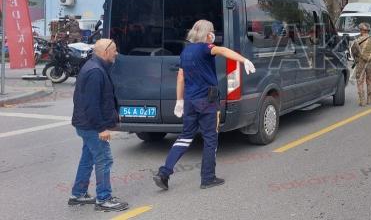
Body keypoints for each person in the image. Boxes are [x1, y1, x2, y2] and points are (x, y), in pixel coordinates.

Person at [153, 20, 256, 191]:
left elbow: (180, 77)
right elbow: (222, 50)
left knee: (185, 137)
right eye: (212, 31)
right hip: (207, 102)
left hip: (190, 102)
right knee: (210, 139)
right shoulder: (206, 48)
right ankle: (208, 177)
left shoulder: (185, 51)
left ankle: (164, 173)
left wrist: (179, 101)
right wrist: (244, 60)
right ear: (208, 34)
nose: (213, 34)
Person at [69, 38, 129, 212]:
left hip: (86, 124)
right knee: (104, 159)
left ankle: (78, 194)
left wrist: (113, 114)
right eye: (114, 50)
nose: (116, 53)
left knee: (88, 159)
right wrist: (101, 128)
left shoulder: (96, 67)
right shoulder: (95, 71)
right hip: (91, 125)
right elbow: (91, 104)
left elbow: (98, 99)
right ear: (104, 52)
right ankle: (104, 198)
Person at [350, 23, 371, 106]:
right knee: (369, 81)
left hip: (361, 63)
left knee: (360, 82)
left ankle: (362, 101)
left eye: (360, 30)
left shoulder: (357, 42)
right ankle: (369, 99)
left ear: (362, 31)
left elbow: (353, 52)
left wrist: (357, 60)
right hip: (370, 63)